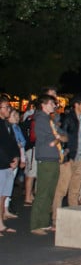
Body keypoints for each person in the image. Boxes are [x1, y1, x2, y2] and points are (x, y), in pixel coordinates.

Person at [30, 94, 67, 235]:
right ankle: (36, 224)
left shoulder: (48, 119)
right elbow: (51, 140)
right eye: (52, 103)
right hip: (45, 157)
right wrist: (58, 138)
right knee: (43, 192)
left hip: (52, 157)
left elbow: (61, 136)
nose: (54, 105)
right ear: (44, 105)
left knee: (50, 191)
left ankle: (44, 221)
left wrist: (58, 138)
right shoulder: (40, 119)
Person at [53, 96, 81, 228]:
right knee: (62, 188)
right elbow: (63, 137)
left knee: (75, 189)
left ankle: (74, 216)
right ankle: (56, 218)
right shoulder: (68, 118)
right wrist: (64, 156)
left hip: (78, 156)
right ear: (77, 105)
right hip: (69, 158)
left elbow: (80, 139)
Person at [0, 98, 20, 235]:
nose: (9, 109)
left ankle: (1, 224)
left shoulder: (7, 124)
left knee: (3, 196)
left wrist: (17, 158)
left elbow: (13, 143)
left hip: (8, 165)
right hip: (2, 164)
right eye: (6, 107)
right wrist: (8, 161)